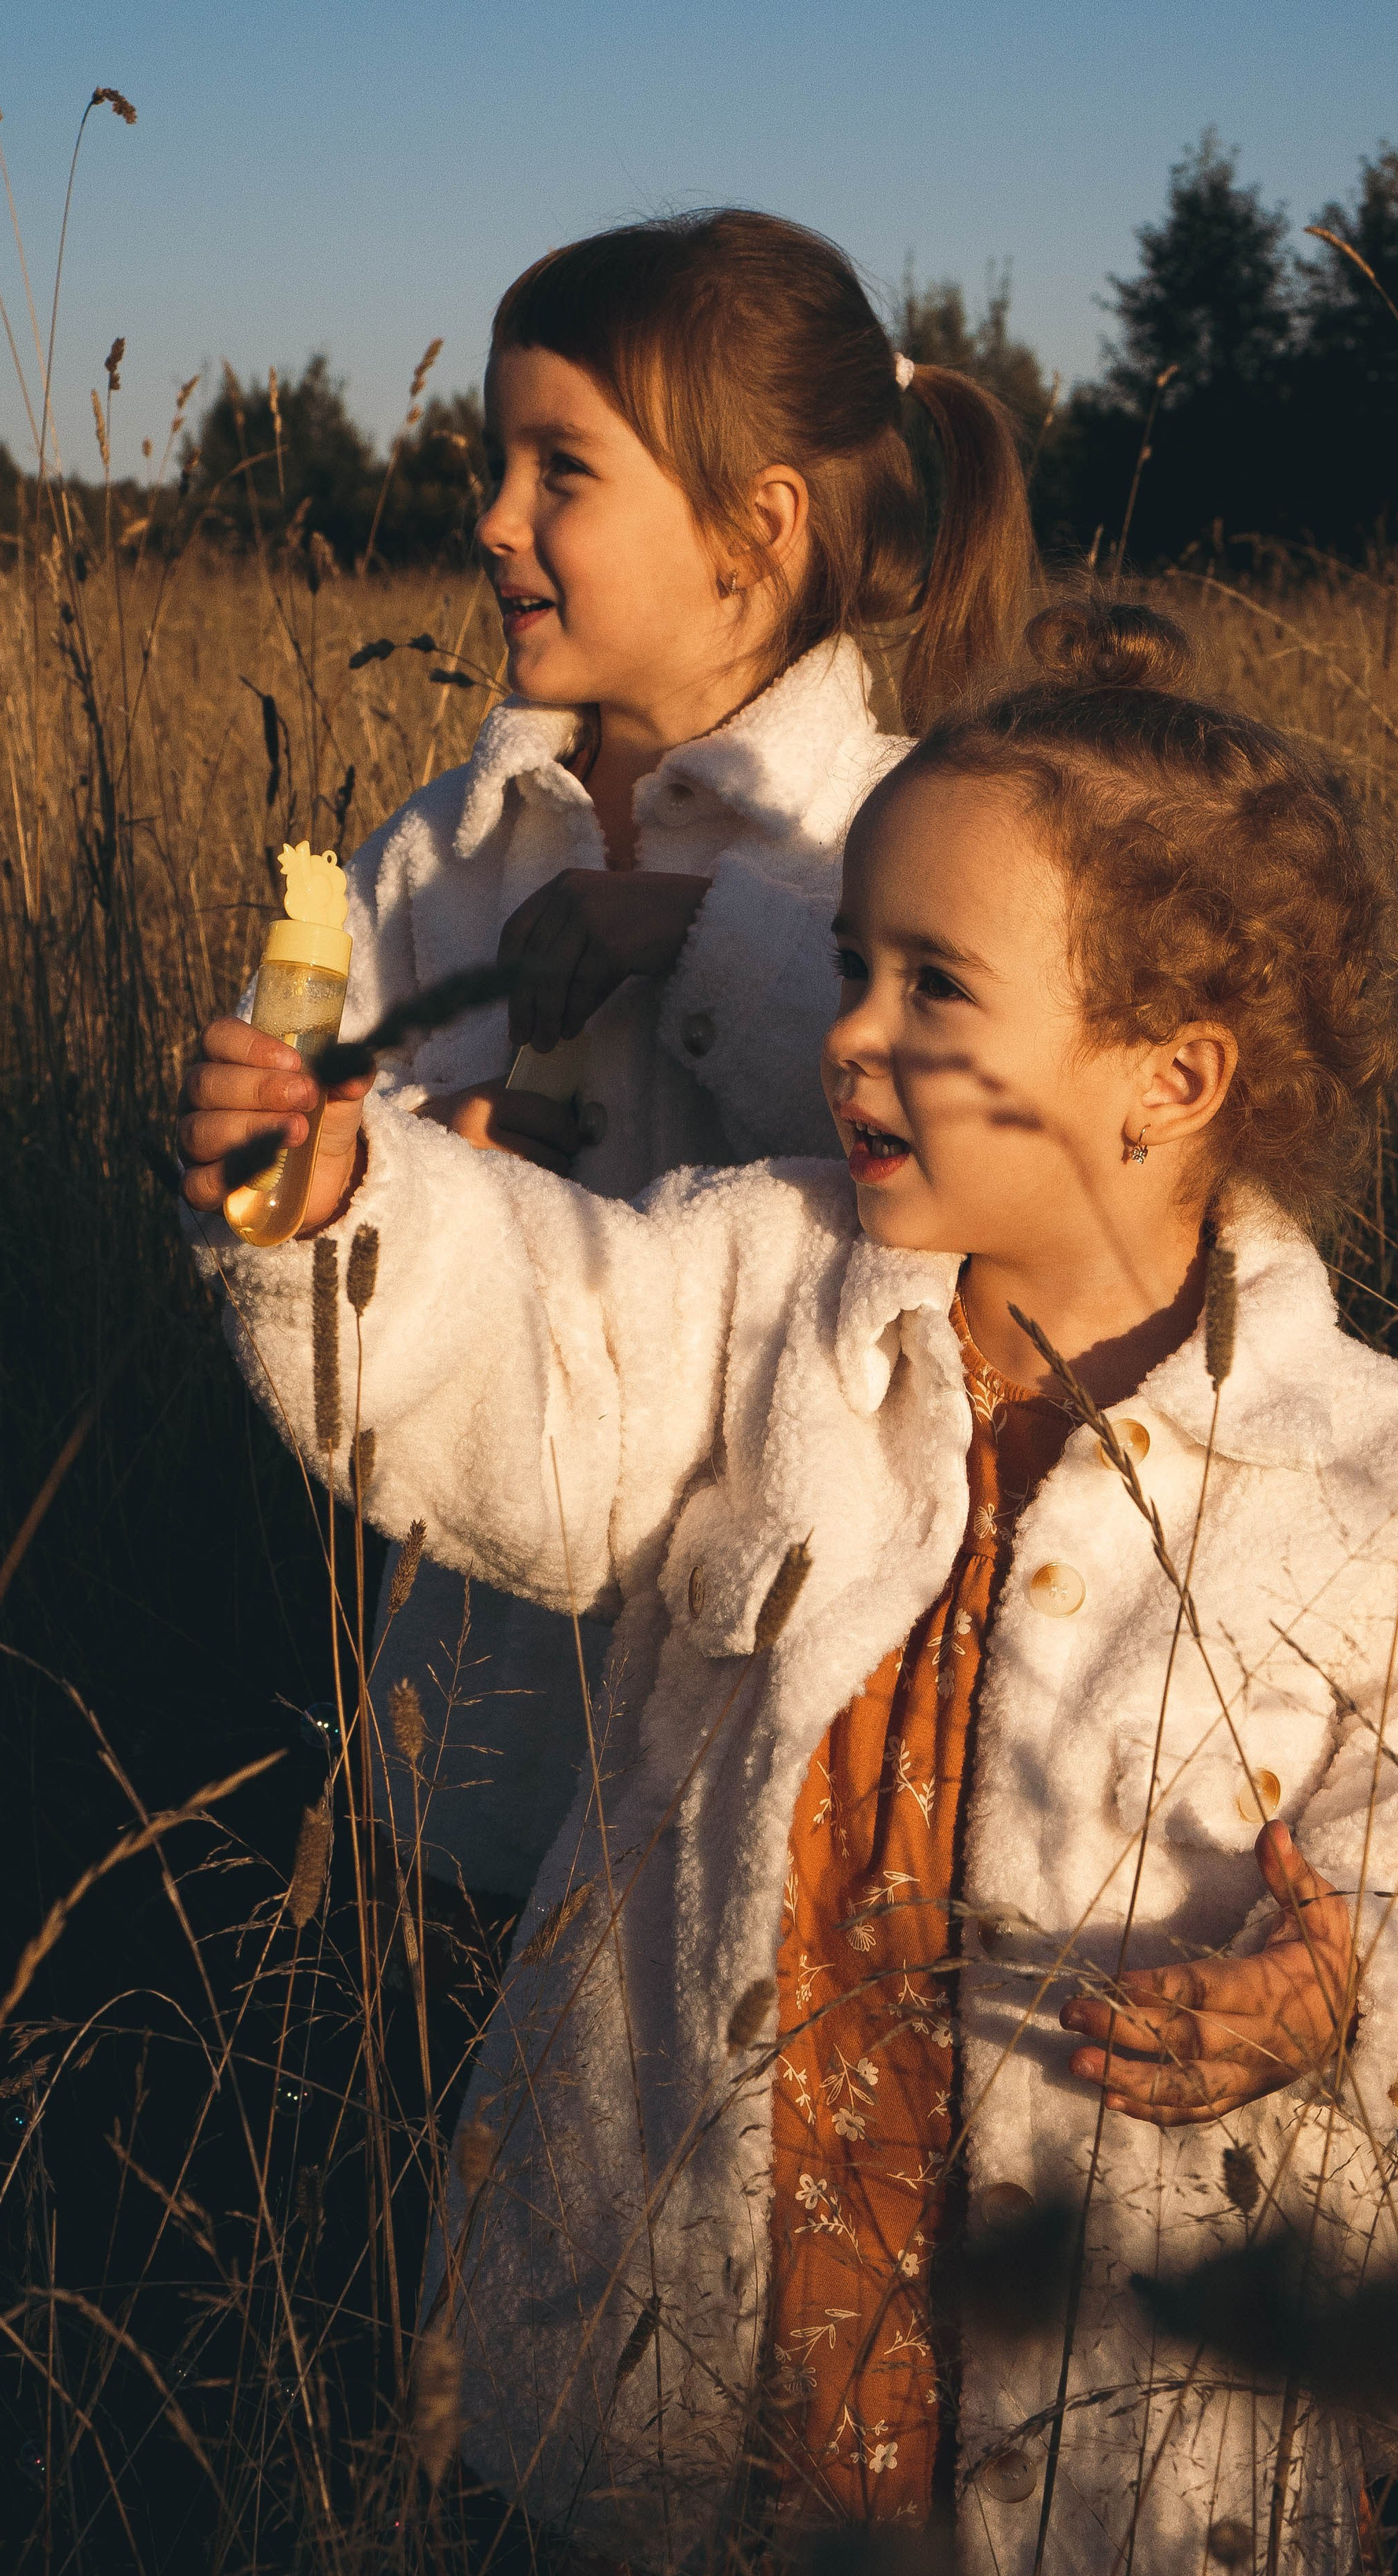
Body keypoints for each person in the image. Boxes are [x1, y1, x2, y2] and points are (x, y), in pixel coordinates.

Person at [177, 600, 1398, 2576]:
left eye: (931, 986)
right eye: (853, 961)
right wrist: (352, 1213)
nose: (848, 1033)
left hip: (1117, 2385)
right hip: (718, 2273)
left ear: (1171, 1080)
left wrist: (1354, 1976)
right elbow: (547, 1362)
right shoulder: (770, 1288)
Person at [318, 209, 1034, 1896]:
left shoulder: (899, 841)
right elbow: (334, 1254)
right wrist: (409, 1197)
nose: (492, 519)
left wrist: (699, 941)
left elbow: (1007, 1204)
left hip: (793, 1760)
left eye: (560, 470)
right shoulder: (436, 862)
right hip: (474, 1726)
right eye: (493, 461)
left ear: (754, 527)